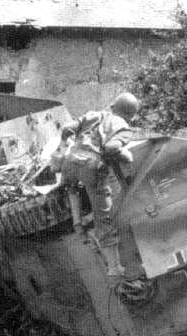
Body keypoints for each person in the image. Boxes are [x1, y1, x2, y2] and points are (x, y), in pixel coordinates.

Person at [51, 92, 140, 277]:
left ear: (113, 106)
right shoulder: (123, 127)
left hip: (69, 163)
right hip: (91, 168)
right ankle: (114, 267)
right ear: (130, 116)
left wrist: (63, 145)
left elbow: (66, 128)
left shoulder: (94, 115)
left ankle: (78, 225)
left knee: (72, 188)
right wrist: (126, 155)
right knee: (104, 218)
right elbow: (111, 148)